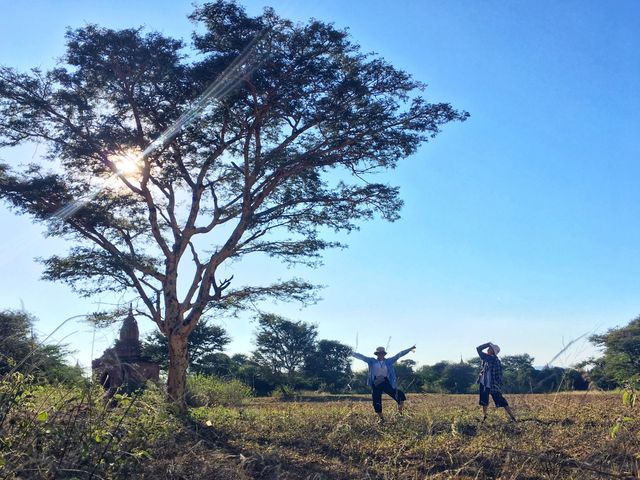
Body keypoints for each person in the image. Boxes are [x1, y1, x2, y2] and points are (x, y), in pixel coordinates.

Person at [352, 345, 415, 422]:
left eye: (382, 353)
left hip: (385, 381)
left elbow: (399, 354)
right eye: (379, 353)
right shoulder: (371, 361)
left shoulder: (389, 361)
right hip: (376, 382)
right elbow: (362, 357)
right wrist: (350, 352)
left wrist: (409, 349)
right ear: (377, 354)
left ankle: (400, 413)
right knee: (376, 400)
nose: (380, 354)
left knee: (399, 395)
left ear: (384, 354)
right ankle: (381, 419)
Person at [476, 342, 516, 422]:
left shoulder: (492, 359)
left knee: (501, 400)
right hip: (484, 383)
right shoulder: (486, 359)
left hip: (492, 384)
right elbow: (484, 370)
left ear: (492, 351)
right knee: (484, 401)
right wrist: (480, 377)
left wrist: (487, 344)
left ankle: (512, 417)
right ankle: (484, 417)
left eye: (490, 348)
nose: (488, 349)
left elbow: (478, 349)